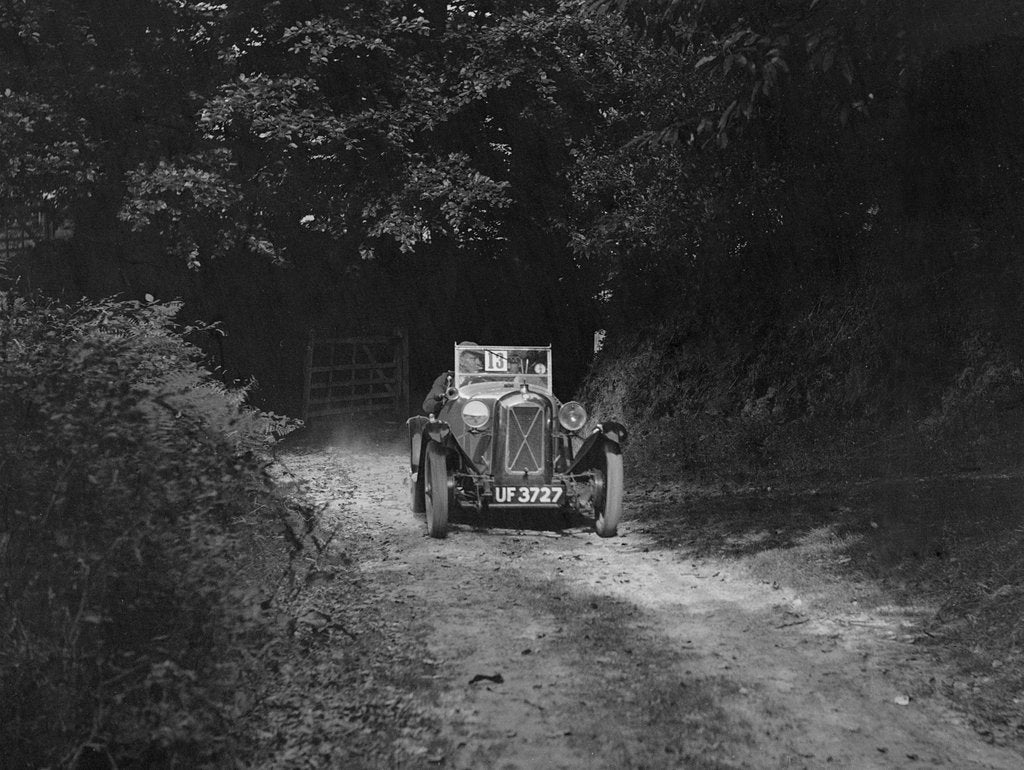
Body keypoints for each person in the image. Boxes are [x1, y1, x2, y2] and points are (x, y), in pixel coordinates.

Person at [422, 343, 482, 416]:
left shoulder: (483, 380)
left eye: (479, 359)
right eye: (473, 359)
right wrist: (444, 400)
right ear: (461, 361)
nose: (479, 363)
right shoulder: (446, 379)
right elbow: (428, 406)